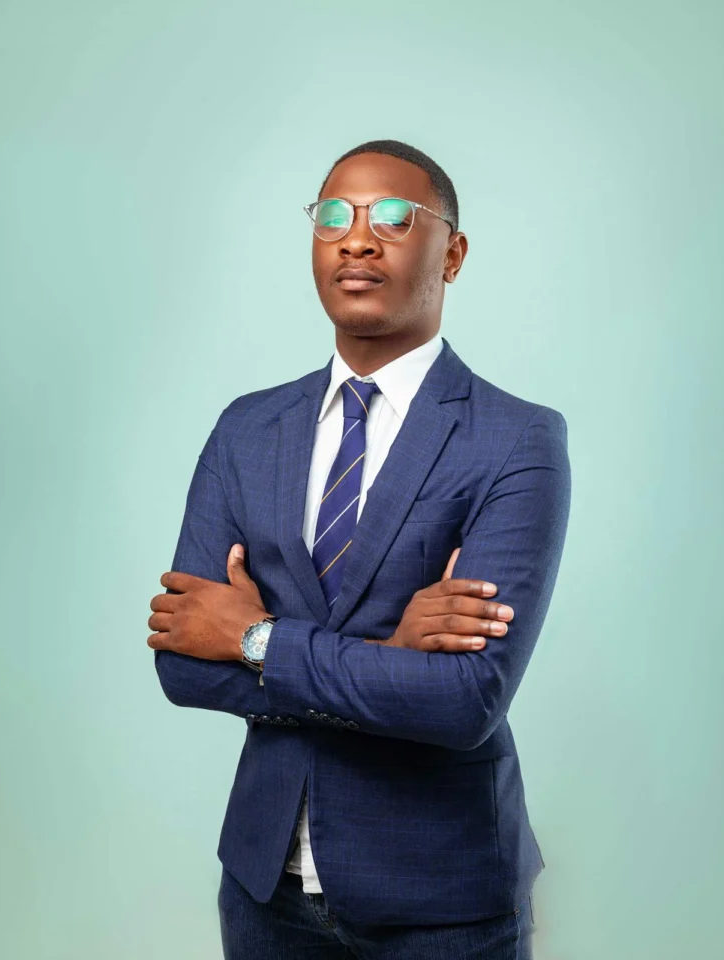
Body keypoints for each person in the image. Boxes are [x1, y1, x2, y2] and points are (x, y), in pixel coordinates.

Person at [147, 139, 571, 959]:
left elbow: (466, 701)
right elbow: (183, 663)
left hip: (443, 901)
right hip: (264, 891)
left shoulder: (517, 440)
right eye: (334, 216)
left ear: (453, 254)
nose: (358, 240)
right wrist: (391, 657)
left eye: (395, 218)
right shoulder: (248, 428)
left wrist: (255, 638)